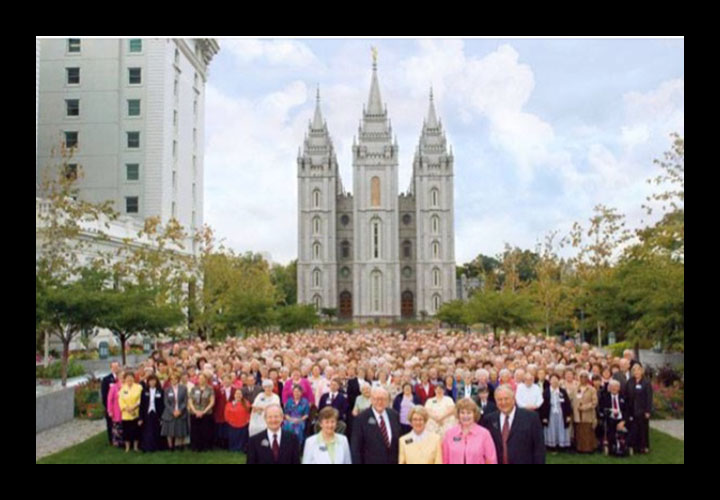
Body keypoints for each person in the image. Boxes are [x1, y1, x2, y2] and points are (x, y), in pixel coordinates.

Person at [480, 384, 545, 464]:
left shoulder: (531, 418)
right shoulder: (489, 420)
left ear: (514, 399)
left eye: (506, 399)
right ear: (495, 401)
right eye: (499, 399)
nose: (503, 402)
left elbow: (539, 448)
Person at [351, 387, 401, 464]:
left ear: (388, 401)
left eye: (383, 399)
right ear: (371, 400)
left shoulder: (394, 415)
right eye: (376, 399)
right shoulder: (361, 419)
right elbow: (356, 449)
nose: (380, 402)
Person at [442, 398, 497, 464]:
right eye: (462, 412)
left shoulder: (484, 434)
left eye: (469, 413)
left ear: (474, 414)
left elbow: (491, 460)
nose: (465, 416)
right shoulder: (449, 434)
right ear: (458, 414)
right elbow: (445, 459)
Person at [539, 374, 572, 451]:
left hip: (561, 413)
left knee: (561, 428)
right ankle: (551, 446)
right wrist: (544, 417)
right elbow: (543, 406)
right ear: (550, 381)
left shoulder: (562, 391)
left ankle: (562, 445)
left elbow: (567, 403)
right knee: (551, 429)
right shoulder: (546, 392)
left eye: (556, 379)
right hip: (550, 413)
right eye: (552, 379)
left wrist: (568, 415)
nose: (554, 381)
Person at [626, 363, 652, 454]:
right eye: (634, 370)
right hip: (632, 409)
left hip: (642, 410)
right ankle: (635, 446)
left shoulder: (646, 382)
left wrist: (648, 411)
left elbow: (649, 397)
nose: (636, 372)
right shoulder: (630, 381)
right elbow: (627, 395)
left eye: (638, 370)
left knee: (643, 429)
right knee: (633, 428)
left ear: (641, 371)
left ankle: (644, 446)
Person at [161, 371, 188, 452]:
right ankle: (170, 447)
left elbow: (185, 401)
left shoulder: (183, 388)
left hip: (181, 411)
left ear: (178, 379)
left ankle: (181, 446)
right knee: (169, 431)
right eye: (172, 379)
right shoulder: (167, 390)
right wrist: (173, 411)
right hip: (170, 412)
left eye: (175, 379)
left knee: (181, 430)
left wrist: (180, 410)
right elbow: (166, 402)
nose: (174, 380)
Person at [600, 379, 629, 456]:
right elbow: (602, 409)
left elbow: (627, 411)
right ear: (609, 388)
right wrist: (610, 411)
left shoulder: (624, 397)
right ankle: (613, 447)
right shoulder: (605, 397)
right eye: (612, 386)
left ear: (619, 388)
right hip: (610, 418)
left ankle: (623, 446)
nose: (614, 388)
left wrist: (623, 421)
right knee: (610, 429)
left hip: (621, 419)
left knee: (627, 428)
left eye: (616, 387)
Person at [188, 373, 215, 452]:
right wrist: (195, 411)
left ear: (206, 380)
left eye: (203, 378)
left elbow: (212, 401)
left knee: (206, 431)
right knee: (195, 431)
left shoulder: (210, 389)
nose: (201, 380)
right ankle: (196, 447)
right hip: (194, 413)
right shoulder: (194, 389)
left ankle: (205, 447)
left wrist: (203, 411)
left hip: (206, 413)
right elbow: (190, 401)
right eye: (199, 378)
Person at [573, 371, 598, 453]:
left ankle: (588, 448)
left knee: (587, 432)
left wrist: (585, 407)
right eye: (581, 377)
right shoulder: (576, 388)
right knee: (579, 431)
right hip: (578, 414)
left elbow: (595, 402)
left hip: (588, 414)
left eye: (585, 377)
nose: (583, 379)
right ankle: (579, 448)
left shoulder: (592, 389)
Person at [139, 374, 164, 452]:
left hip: (157, 413)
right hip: (147, 413)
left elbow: (163, 405)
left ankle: (157, 447)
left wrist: (162, 417)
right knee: (148, 431)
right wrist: (140, 418)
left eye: (154, 380)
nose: (152, 382)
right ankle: (147, 447)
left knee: (156, 430)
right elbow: (142, 405)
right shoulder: (144, 391)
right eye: (150, 381)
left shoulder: (161, 391)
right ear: (148, 382)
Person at [118, 371, 143, 453]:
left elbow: (141, 399)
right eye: (127, 378)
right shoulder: (122, 388)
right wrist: (127, 408)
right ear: (124, 379)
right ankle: (127, 447)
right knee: (126, 431)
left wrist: (134, 407)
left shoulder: (139, 387)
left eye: (131, 377)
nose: (129, 379)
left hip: (136, 412)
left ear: (134, 378)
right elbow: (120, 400)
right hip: (126, 414)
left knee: (136, 431)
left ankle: (136, 447)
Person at [213, 374, 235, 449]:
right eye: (224, 380)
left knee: (228, 428)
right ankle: (220, 444)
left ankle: (227, 443)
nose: (226, 381)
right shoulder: (218, 390)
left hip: (231, 412)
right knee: (220, 429)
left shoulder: (234, 390)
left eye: (227, 379)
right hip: (220, 412)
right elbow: (215, 401)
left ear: (231, 380)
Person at [101, 361, 120, 445]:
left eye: (117, 367)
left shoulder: (121, 378)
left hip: (120, 405)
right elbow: (104, 394)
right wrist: (108, 408)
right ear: (111, 368)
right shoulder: (106, 379)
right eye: (114, 367)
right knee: (110, 423)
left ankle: (119, 438)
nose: (115, 368)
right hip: (111, 405)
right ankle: (111, 440)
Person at [106, 369, 125, 448]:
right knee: (117, 426)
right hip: (117, 410)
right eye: (121, 376)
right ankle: (117, 442)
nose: (122, 377)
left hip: (126, 410)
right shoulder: (114, 387)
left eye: (124, 376)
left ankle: (125, 441)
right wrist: (110, 410)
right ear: (118, 377)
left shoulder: (128, 385)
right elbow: (109, 400)